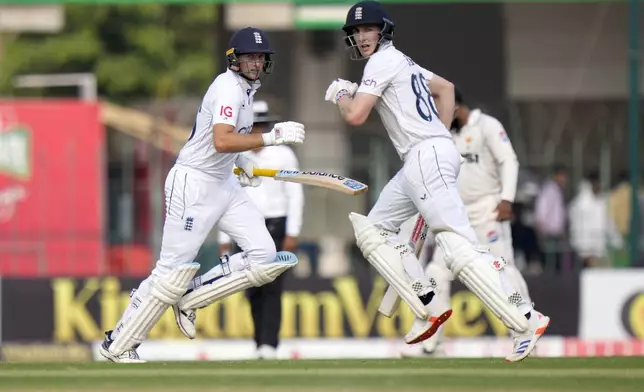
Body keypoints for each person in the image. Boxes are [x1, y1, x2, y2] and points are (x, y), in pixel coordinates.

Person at [325, 1, 549, 362]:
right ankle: (426, 302)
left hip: (425, 156)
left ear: (384, 31)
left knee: (457, 246)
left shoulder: (383, 61)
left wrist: (340, 94)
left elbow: (355, 115)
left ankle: (525, 319)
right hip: (422, 157)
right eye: (356, 31)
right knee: (373, 231)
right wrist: (441, 136)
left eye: (368, 29)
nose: (361, 36)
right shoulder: (405, 62)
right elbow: (446, 88)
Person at [99, 27, 306, 363]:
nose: (255, 62)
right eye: (249, 56)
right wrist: (270, 138)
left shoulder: (248, 92)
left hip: (224, 183)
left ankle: (191, 297)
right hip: (194, 183)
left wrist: (243, 164)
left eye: (260, 57)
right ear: (234, 59)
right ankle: (118, 342)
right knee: (170, 271)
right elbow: (221, 139)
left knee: (264, 255)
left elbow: (230, 145)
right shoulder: (227, 88)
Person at [419, 88, 533, 356]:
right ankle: (433, 342)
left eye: (443, 111)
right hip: (456, 218)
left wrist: (507, 198)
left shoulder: (487, 126)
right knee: (436, 274)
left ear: (456, 107)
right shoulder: (444, 135)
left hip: (488, 213)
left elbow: (509, 161)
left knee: (503, 272)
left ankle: (527, 329)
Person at [218, 100, 304, 359]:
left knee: (272, 286)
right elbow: (224, 198)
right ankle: (259, 342)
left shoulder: (283, 154)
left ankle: (270, 343)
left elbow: (295, 193)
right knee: (250, 286)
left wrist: (293, 232)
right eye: (251, 127)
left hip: (275, 225)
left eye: (260, 126)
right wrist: (224, 237)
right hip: (243, 227)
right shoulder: (233, 157)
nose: (256, 132)